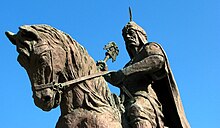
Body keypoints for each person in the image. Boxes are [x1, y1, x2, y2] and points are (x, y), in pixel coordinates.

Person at [103, 20, 190, 128]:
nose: (128, 37)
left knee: (137, 109)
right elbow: (118, 81)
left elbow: (157, 60)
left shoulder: (149, 47)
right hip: (125, 103)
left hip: (144, 101)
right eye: (125, 37)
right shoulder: (128, 64)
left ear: (139, 35)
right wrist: (104, 73)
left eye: (131, 33)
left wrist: (125, 72)